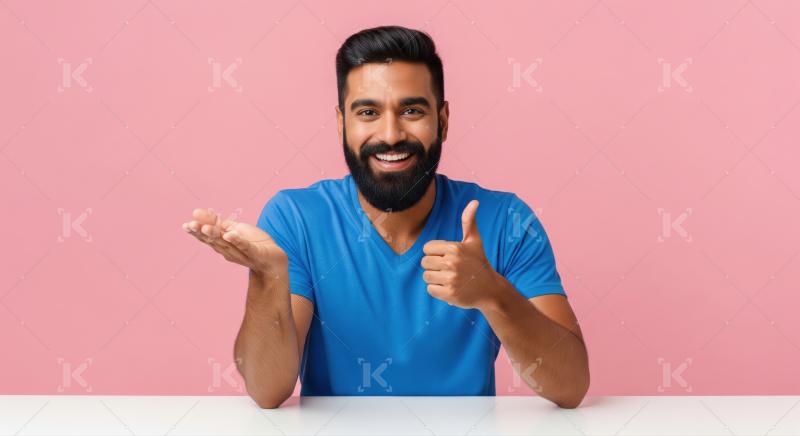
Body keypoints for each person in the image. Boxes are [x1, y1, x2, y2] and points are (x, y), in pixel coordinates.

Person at [182, 25, 589, 409]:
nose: (391, 134)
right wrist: (268, 277)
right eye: (368, 112)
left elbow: (570, 387)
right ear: (342, 123)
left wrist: (494, 294)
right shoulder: (296, 218)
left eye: (411, 110)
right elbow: (267, 390)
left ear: (442, 121)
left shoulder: (506, 220)